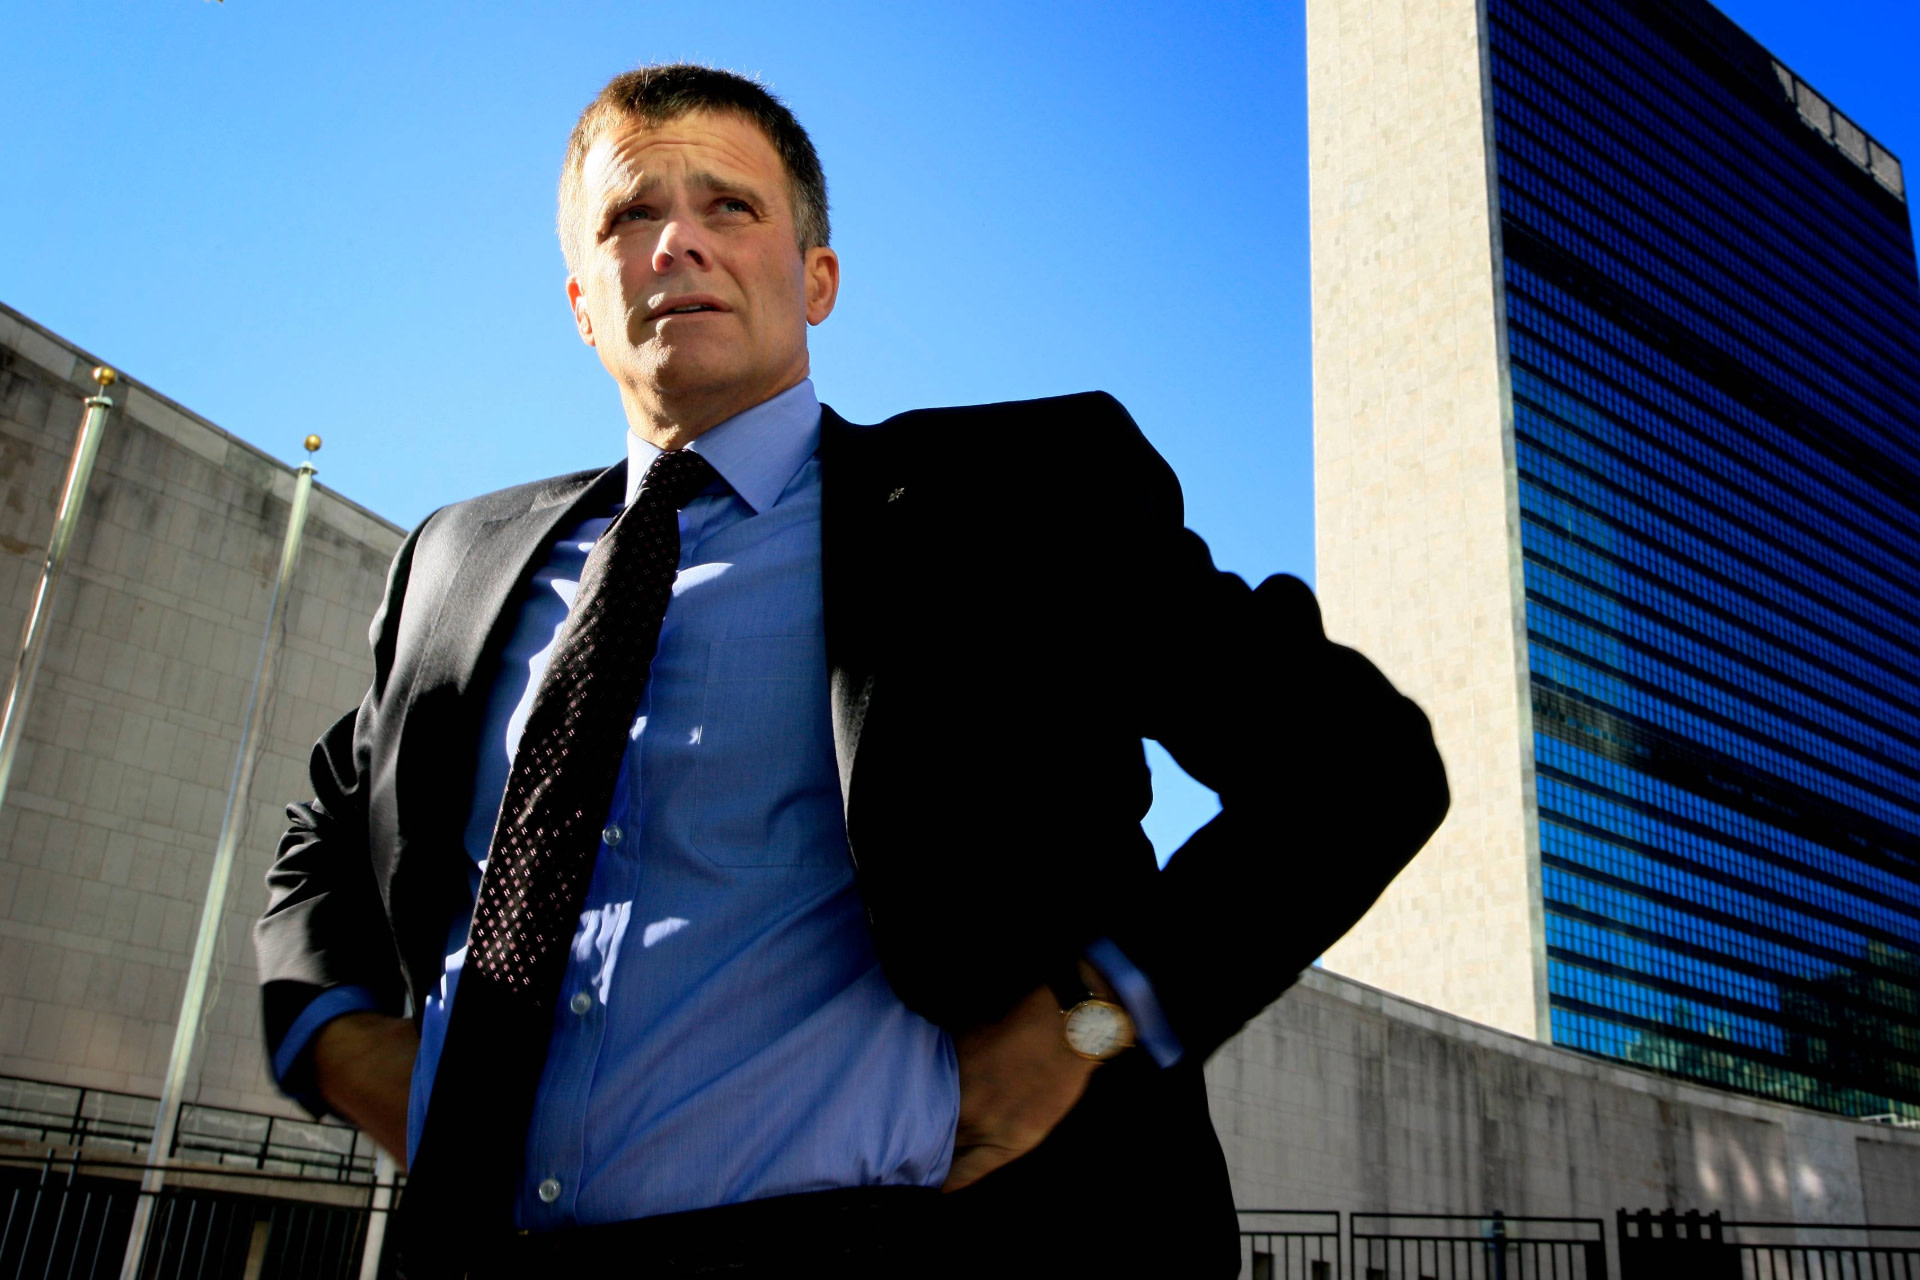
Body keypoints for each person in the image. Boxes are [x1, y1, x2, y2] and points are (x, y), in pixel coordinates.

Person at [253, 63, 1448, 1278]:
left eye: (729, 206)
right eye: (630, 214)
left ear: (816, 277)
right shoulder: (457, 558)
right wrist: (335, 1035)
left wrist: (1091, 1021)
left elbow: (1361, 764)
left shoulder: (1024, 499)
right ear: (581, 300)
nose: (676, 242)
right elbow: (328, 830)